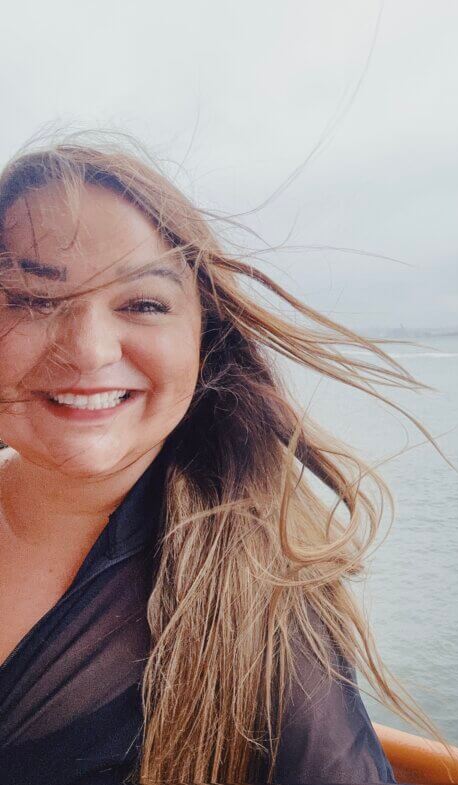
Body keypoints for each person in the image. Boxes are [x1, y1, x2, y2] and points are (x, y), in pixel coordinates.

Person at [0, 137, 435, 784]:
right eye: (32, 299)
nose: (89, 350)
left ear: (204, 338)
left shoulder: (252, 601)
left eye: (143, 304)